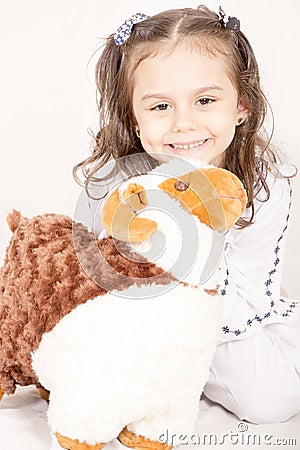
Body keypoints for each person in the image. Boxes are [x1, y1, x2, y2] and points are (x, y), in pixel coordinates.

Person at [73, 6, 300, 425]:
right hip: (143, 321)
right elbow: (101, 286)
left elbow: (248, 303)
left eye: (205, 100)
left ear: (242, 106)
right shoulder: (117, 185)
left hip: (229, 317)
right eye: (160, 107)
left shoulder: (265, 186)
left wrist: (191, 240)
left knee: (271, 400)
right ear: (134, 120)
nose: (183, 123)